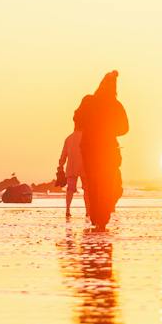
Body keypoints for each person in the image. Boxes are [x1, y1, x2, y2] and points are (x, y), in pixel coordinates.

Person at [73, 71, 128, 229]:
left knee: (94, 184)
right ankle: (101, 218)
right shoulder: (115, 105)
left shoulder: (88, 101)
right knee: (109, 184)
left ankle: (98, 219)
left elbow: (77, 120)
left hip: (90, 149)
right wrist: (109, 130)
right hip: (107, 150)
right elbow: (125, 128)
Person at [56, 128, 84, 220]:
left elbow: (63, 154)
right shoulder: (86, 137)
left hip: (71, 167)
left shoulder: (69, 138)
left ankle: (67, 210)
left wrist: (60, 165)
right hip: (84, 167)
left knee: (70, 190)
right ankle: (88, 211)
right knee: (87, 189)